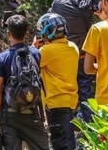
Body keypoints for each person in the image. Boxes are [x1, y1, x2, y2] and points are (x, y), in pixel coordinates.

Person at [0, 15, 49, 150]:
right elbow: (31, 54)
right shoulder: (36, 54)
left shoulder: (1, 59)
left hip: (9, 116)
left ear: (8, 34)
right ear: (27, 33)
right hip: (32, 114)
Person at [50, 0, 98, 121]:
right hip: (84, 57)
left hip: (65, 58)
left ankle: (67, 129)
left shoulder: (57, 4)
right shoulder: (87, 4)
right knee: (86, 94)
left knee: (65, 93)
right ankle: (91, 128)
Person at [34, 14, 78, 150]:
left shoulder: (46, 51)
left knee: (60, 143)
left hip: (56, 102)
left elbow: (31, 63)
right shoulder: (73, 47)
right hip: (70, 101)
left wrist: (34, 46)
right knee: (68, 140)